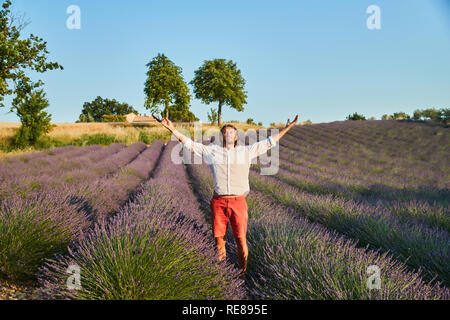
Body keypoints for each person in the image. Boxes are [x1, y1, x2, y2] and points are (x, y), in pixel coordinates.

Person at [157, 115, 299, 280]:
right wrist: (172, 128)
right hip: (218, 202)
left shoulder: (246, 151)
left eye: (232, 132)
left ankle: (243, 275)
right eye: (226, 132)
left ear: (236, 136)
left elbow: (269, 142)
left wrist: (287, 128)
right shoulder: (212, 152)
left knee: (240, 239)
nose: (229, 135)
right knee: (219, 242)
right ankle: (222, 277)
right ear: (222, 136)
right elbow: (189, 144)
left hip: (238, 202)